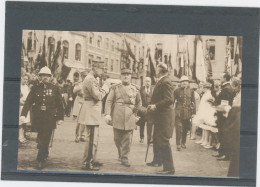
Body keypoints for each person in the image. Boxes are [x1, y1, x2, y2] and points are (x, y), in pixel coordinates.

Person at [20, 66, 64, 169]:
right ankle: (44, 151)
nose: (45, 77)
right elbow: (28, 102)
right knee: (41, 137)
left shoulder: (55, 88)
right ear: (40, 76)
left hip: (50, 118)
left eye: (47, 76)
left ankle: (40, 159)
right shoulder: (35, 88)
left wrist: (60, 117)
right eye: (43, 75)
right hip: (38, 117)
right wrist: (23, 114)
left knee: (45, 137)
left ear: (50, 77)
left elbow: (59, 104)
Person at [105, 68, 142, 167]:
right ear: (121, 76)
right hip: (117, 115)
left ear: (130, 77)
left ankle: (124, 157)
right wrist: (108, 114)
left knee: (127, 139)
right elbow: (109, 101)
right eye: (124, 74)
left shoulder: (135, 88)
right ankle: (120, 153)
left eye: (128, 74)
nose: (126, 76)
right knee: (117, 138)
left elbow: (139, 102)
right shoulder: (115, 88)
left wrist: (136, 114)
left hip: (130, 116)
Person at [78, 62, 109, 171]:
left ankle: (92, 159)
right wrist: (105, 88)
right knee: (91, 139)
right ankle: (87, 163)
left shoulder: (91, 78)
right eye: (101, 69)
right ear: (95, 68)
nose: (102, 72)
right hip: (91, 112)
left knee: (94, 138)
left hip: (92, 112)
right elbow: (98, 96)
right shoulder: (91, 79)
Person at [147, 63, 175, 175]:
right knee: (157, 139)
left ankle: (169, 168)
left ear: (161, 71)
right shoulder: (162, 80)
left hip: (164, 116)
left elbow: (169, 100)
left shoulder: (166, 81)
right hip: (160, 116)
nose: (155, 71)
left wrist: (155, 106)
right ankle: (157, 161)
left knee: (163, 140)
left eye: (157, 69)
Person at [213, 73, 235, 160]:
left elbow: (224, 103)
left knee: (223, 133)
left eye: (221, 77)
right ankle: (221, 152)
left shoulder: (226, 89)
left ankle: (225, 154)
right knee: (221, 133)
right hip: (223, 114)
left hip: (223, 115)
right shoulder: (226, 88)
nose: (219, 78)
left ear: (225, 78)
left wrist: (217, 108)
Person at [174, 76, 196, 151]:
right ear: (180, 83)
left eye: (186, 81)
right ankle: (178, 144)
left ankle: (183, 142)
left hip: (187, 112)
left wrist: (193, 112)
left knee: (185, 128)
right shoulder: (176, 90)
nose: (184, 83)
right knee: (178, 128)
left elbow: (193, 102)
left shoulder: (191, 91)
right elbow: (172, 101)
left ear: (188, 83)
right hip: (179, 112)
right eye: (182, 81)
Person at [73, 71, 88, 142]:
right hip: (79, 101)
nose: (84, 77)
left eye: (86, 76)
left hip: (86, 102)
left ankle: (83, 135)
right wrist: (80, 87)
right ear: (81, 77)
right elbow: (74, 91)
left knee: (85, 120)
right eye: (83, 76)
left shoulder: (89, 83)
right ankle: (77, 136)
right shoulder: (79, 84)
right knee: (79, 120)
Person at [138, 77, 154, 144]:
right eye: (146, 81)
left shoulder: (153, 89)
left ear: (150, 82)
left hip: (150, 110)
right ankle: (142, 137)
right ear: (144, 82)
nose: (147, 83)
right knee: (142, 124)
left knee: (150, 124)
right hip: (143, 109)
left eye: (149, 81)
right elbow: (138, 98)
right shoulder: (141, 89)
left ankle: (149, 139)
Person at [19, 74, 31, 143]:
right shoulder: (19, 86)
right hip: (20, 106)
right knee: (20, 122)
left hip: (25, 106)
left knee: (24, 123)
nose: (25, 80)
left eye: (27, 79)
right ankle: (20, 137)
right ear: (21, 78)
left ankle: (23, 136)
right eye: (24, 79)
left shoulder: (27, 87)